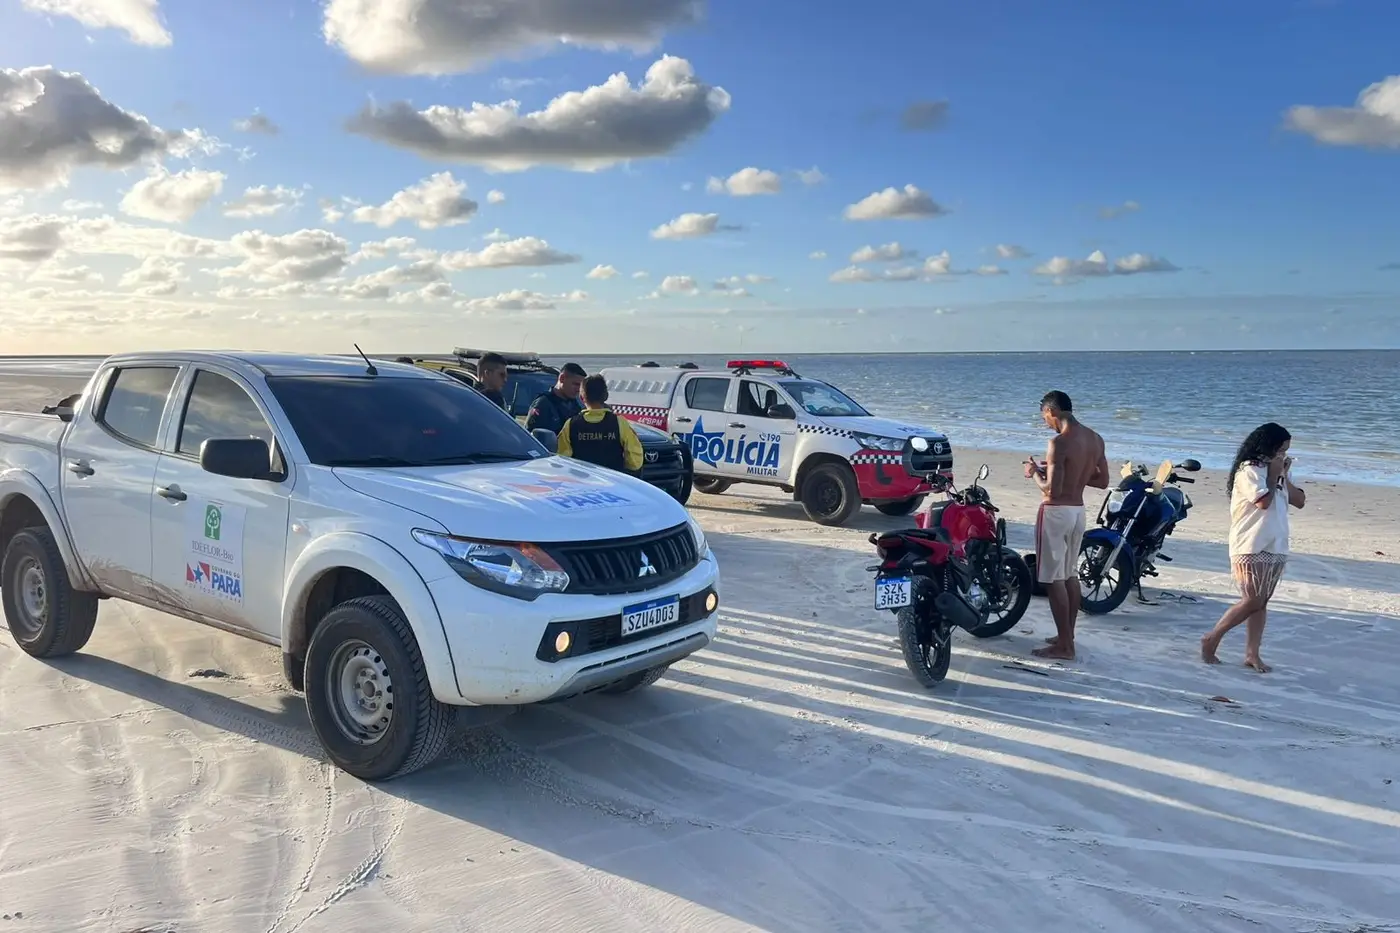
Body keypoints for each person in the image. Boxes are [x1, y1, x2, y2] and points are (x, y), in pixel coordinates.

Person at [1201, 422, 1304, 673]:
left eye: (1286, 451)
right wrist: (1272, 475)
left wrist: (1282, 475)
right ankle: (1211, 639)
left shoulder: (1277, 470)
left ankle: (1252, 653)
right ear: (1267, 448)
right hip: (1251, 542)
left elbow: (1299, 500)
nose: (1284, 456)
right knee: (1252, 599)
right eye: (1280, 450)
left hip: (1276, 541)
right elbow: (1263, 503)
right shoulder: (1250, 470)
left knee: (1262, 601)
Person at [1024, 390, 1109, 661]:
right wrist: (1075, 474)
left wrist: (1034, 473)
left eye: (1045, 417)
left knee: (1052, 578)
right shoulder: (1095, 439)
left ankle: (1065, 646)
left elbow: (1051, 489)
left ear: (1052, 411)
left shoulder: (1058, 442)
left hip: (1055, 512)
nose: (1045, 422)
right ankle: (1066, 636)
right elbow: (1102, 480)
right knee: (1070, 573)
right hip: (1078, 511)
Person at [557, 375, 643, 475]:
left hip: (582, 484)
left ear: (581, 397)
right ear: (606, 396)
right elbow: (634, 463)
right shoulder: (619, 422)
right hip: (613, 483)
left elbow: (562, 460)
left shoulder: (571, 424)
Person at [524, 362, 585, 434]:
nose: (578, 389)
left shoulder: (575, 404)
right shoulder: (543, 404)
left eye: (581, 386)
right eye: (576, 384)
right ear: (562, 378)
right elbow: (531, 436)